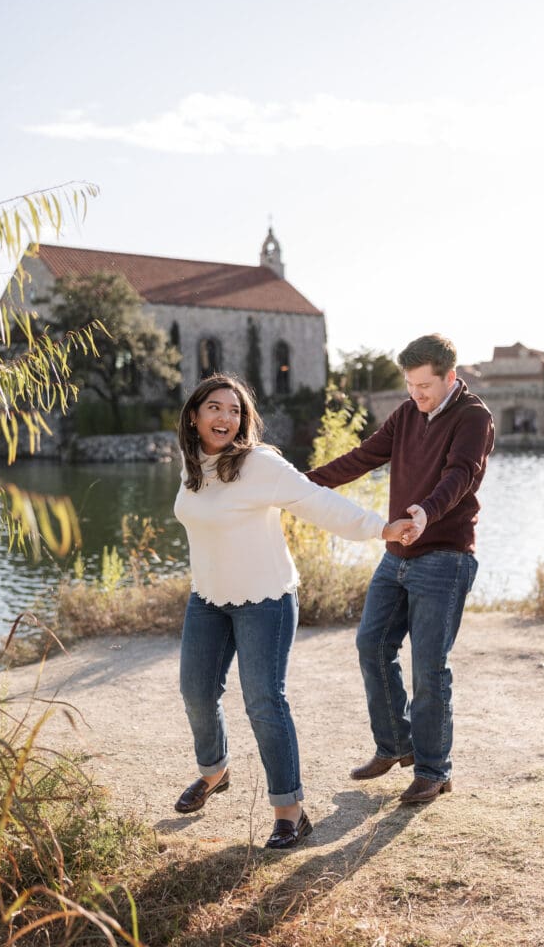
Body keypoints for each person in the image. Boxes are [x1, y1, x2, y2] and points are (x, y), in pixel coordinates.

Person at [173, 374, 415, 849]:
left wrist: (380, 529)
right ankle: (215, 771)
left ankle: (290, 811)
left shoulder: (260, 465)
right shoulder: (191, 464)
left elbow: (317, 502)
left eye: (235, 410)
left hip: (264, 600)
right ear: (195, 416)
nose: (226, 417)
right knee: (196, 692)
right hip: (208, 598)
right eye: (215, 408)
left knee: (264, 702)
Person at [306, 334, 495, 805]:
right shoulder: (408, 413)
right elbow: (363, 457)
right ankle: (395, 744)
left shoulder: (475, 417)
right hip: (398, 556)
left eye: (425, 385)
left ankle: (434, 771)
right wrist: (299, 485)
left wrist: (426, 513)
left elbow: (462, 473)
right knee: (372, 643)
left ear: (451, 376)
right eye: (410, 385)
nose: (417, 394)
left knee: (429, 669)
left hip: (446, 556)